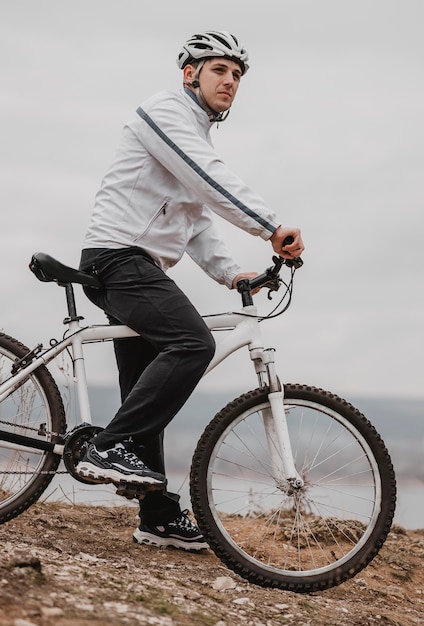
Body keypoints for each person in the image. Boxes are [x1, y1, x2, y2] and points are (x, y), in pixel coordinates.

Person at [76, 31, 304, 551]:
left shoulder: (195, 134)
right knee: (193, 344)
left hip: (140, 264)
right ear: (190, 74)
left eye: (238, 75)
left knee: (148, 399)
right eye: (220, 69)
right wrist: (270, 226)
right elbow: (209, 178)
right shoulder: (165, 111)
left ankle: (156, 515)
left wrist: (232, 274)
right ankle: (106, 447)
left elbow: (196, 220)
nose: (231, 81)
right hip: (119, 259)